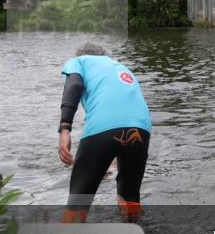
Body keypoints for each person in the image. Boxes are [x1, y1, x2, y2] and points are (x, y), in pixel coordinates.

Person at [58, 43, 152, 222]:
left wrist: (64, 128)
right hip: (141, 127)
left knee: (79, 200)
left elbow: (74, 85)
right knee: (129, 198)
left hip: (104, 125)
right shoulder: (120, 67)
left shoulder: (79, 61)